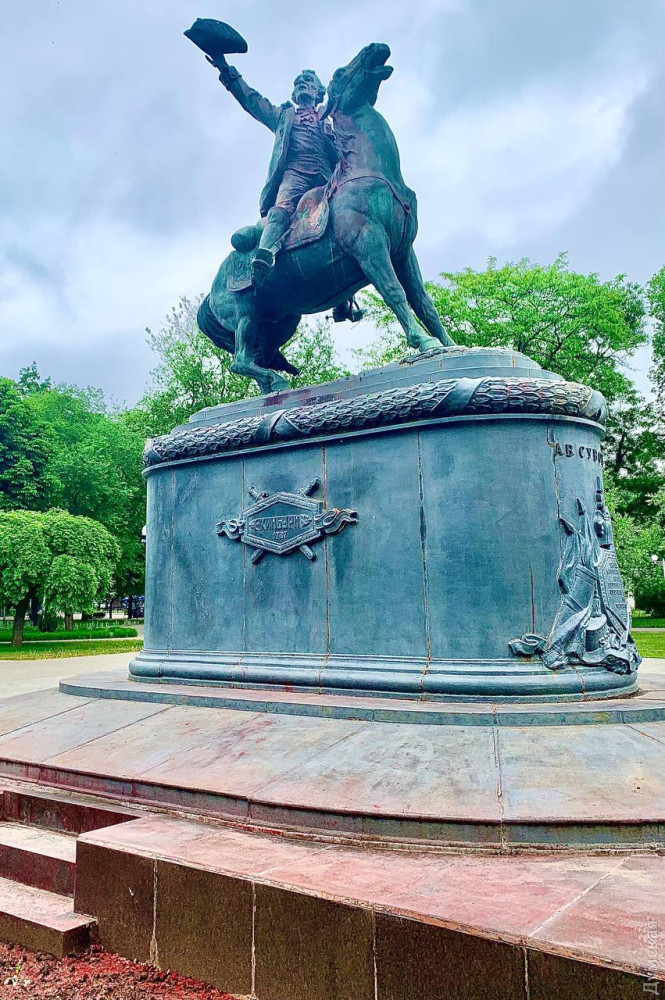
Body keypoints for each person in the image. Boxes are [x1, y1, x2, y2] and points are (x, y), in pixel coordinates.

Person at [211, 57, 338, 285]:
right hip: (295, 174)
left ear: (319, 92)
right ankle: (264, 255)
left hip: (326, 176)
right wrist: (225, 69)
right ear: (294, 93)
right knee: (280, 210)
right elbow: (252, 100)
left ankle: (345, 292)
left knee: (344, 215)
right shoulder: (282, 116)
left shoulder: (328, 119)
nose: (302, 83)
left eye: (308, 81)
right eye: (298, 82)